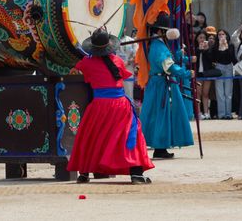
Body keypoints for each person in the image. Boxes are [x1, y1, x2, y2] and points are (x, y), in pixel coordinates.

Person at [67, 27, 153, 184]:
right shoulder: (117, 61)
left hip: (99, 105)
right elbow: (124, 74)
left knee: (91, 136)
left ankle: (84, 173)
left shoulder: (86, 63)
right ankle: (136, 173)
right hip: (120, 105)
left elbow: (74, 71)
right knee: (129, 135)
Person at [140, 12, 194, 159]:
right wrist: (187, 73)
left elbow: (170, 61)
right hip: (161, 85)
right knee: (161, 115)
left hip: (160, 84)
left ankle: (160, 146)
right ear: (160, 31)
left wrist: (181, 57)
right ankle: (160, 146)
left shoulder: (159, 45)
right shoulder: (158, 47)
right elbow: (169, 67)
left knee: (159, 115)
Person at [213, 29, 236, 119]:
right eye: (219, 34)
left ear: (226, 35)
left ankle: (228, 114)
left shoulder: (230, 45)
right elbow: (215, 58)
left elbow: (232, 58)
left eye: (223, 34)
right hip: (219, 67)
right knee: (220, 92)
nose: (221, 36)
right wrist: (219, 47)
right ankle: (221, 114)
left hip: (229, 67)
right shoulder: (215, 46)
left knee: (228, 92)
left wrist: (226, 47)